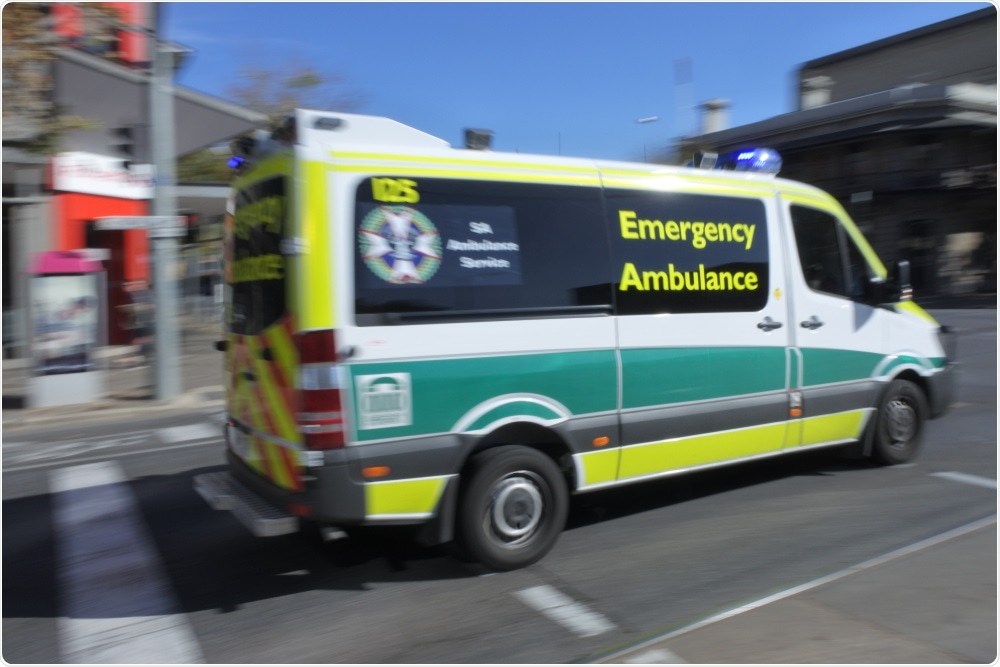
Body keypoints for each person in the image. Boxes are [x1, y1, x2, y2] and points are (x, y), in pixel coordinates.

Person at [120, 279, 154, 366]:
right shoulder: (133, 294)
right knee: (140, 341)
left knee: (142, 340)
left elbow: (148, 307)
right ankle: (141, 357)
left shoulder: (145, 294)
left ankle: (141, 357)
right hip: (142, 323)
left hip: (146, 323)